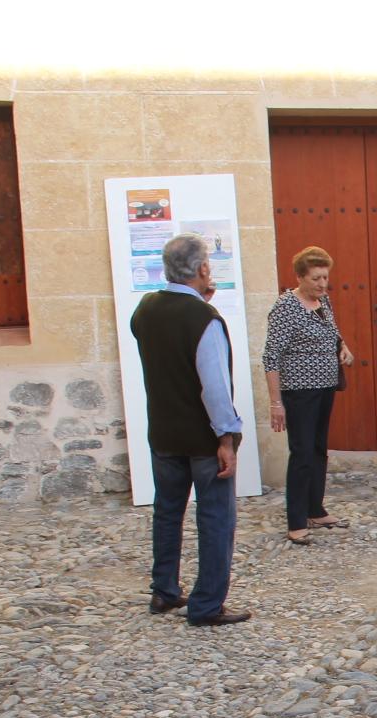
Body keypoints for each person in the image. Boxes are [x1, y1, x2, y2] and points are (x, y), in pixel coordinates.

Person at [129, 233, 249, 626]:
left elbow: (165, 346)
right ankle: (207, 603)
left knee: (167, 512)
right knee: (215, 518)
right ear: (202, 269)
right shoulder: (203, 319)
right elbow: (214, 387)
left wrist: (198, 300)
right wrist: (226, 437)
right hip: (201, 438)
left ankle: (164, 589)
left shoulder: (146, 309)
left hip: (164, 431)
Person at [263, 245, 354, 546]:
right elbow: (271, 356)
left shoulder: (323, 301)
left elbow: (333, 333)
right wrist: (275, 402)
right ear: (300, 277)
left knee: (318, 449)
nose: (322, 283)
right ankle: (296, 520)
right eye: (316, 278)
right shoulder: (286, 307)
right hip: (299, 391)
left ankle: (316, 509)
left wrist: (343, 347)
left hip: (325, 386)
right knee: (302, 453)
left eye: (325, 277)